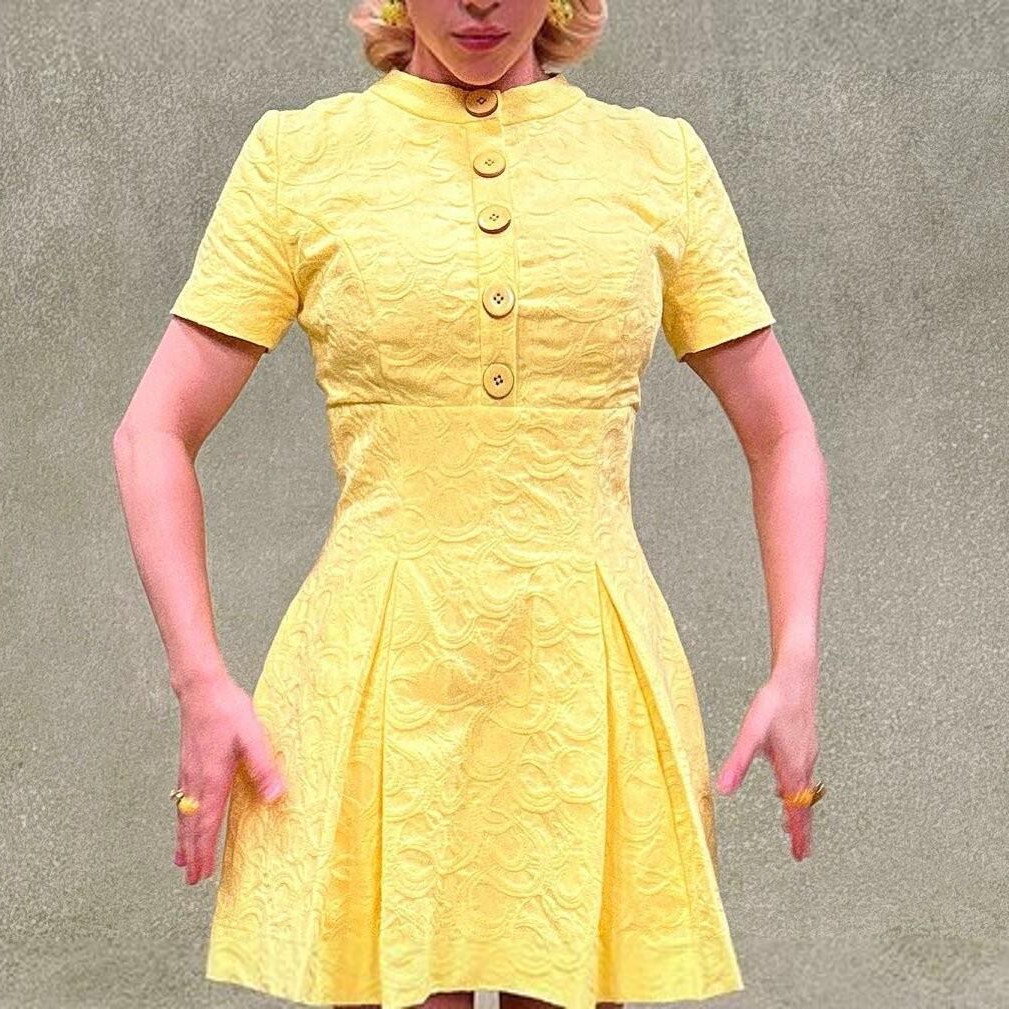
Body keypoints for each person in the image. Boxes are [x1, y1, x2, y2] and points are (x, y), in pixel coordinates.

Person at [112, 1, 828, 1007]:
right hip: (379, 687)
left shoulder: (657, 162)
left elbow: (782, 435)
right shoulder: (299, 158)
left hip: (587, 687)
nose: (482, 3)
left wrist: (795, 662)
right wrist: (200, 681)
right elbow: (152, 431)